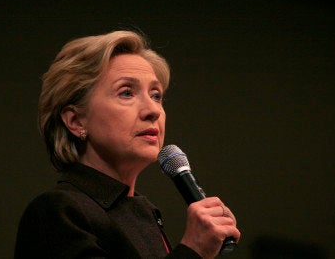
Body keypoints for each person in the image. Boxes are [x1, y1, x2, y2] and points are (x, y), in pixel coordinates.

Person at [14, 30, 240, 258]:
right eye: (126, 93)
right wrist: (194, 250)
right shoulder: (57, 212)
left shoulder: (145, 213)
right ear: (76, 120)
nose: (153, 110)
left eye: (156, 95)